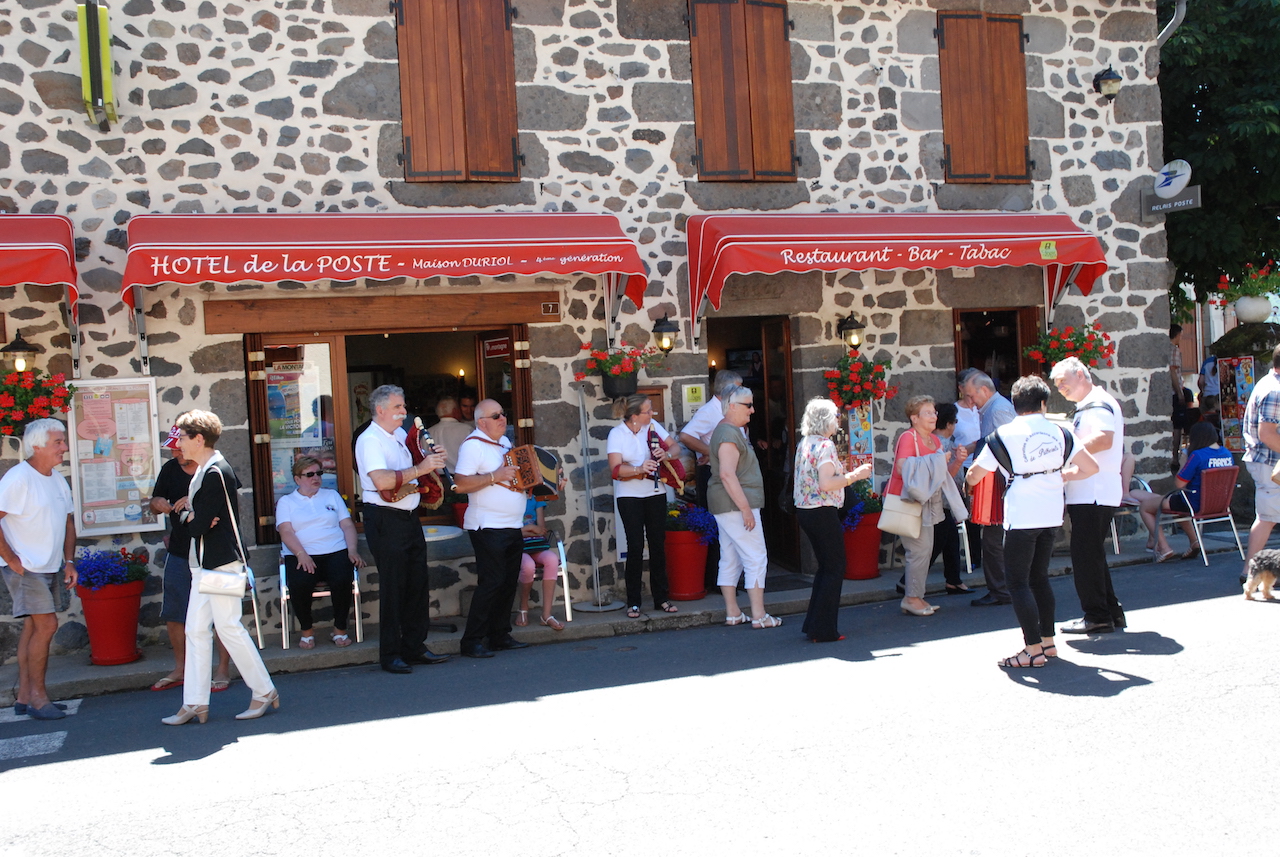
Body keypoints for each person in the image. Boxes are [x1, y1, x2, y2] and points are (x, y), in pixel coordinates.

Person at [966, 376, 1099, 669]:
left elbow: (975, 475)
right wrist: (1062, 475)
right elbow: (1091, 467)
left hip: (1022, 513)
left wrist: (970, 481)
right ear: (1043, 403)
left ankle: (1032, 649)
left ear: (1015, 404)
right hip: (1052, 512)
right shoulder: (1061, 432)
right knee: (1040, 578)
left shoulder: (1002, 435)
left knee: (1017, 582)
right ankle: (1048, 642)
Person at [163, 410, 278, 724]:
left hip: (221, 564)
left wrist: (186, 514)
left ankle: (264, 690)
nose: (178, 444)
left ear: (199, 439)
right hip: (207, 564)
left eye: (182, 438)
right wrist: (193, 516)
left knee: (228, 627)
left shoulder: (215, 472)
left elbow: (197, 526)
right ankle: (195, 702)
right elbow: (200, 522)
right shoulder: (207, 469)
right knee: (196, 630)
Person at [355, 385, 451, 674]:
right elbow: (383, 481)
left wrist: (432, 459)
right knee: (394, 587)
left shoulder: (397, 436)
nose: (404, 411)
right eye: (398, 407)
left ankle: (414, 646)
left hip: (408, 516)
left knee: (417, 584)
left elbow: (414, 472)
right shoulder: (369, 439)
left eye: (403, 406)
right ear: (380, 409)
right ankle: (391, 654)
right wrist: (422, 468)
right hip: (385, 518)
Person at [0, 419, 75, 720]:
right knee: (46, 626)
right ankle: (38, 700)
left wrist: (69, 561)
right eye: (58, 442)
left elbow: (68, 522)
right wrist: (11, 559)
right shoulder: (19, 478)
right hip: (27, 568)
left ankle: (23, 697)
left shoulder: (56, 479)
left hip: (49, 566)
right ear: (37, 446)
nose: (64, 447)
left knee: (34, 627)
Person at [148, 426, 232, 693]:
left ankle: (222, 670)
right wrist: (158, 503)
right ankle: (182, 669)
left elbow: (227, 508)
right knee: (175, 613)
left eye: (178, 447)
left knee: (222, 617)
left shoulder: (213, 469)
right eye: (173, 449)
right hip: (180, 551)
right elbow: (154, 500)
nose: (175, 452)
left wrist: (195, 500)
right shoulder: (170, 469)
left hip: (214, 554)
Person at [1051, 356, 1128, 635]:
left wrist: (1067, 452)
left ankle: (1096, 616)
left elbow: (1104, 438)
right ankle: (1110, 612)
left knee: (1085, 556)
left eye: (1064, 381)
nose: (1061, 388)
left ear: (1081, 375)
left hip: (1093, 491)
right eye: (1057, 384)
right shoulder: (1094, 403)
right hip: (1092, 491)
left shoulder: (1097, 403)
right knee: (1092, 555)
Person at [453, 398, 532, 658]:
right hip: (487, 526)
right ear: (481, 422)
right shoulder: (473, 445)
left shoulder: (505, 443)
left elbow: (516, 480)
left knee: (508, 583)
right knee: (492, 582)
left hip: (512, 524)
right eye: (496, 416)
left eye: (503, 413)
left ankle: (499, 635)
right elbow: (460, 484)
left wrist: (548, 484)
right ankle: (472, 641)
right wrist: (494, 476)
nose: (503, 419)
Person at [793, 398, 873, 642]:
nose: (838, 420)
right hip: (822, 509)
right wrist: (855, 475)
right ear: (825, 420)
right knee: (835, 567)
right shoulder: (825, 445)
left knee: (826, 567)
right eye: (836, 416)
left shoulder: (805, 442)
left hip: (806, 509)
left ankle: (814, 624)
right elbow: (827, 483)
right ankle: (823, 629)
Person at [885, 396, 967, 617]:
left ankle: (916, 597)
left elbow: (943, 476)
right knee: (919, 551)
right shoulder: (908, 437)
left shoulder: (935, 441)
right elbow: (902, 468)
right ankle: (911, 598)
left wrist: (957, 461)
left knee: (924, 550)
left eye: (934, 412)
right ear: (914, 418)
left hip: (928, 502)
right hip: (909, 501)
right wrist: (937, 461)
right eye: (928, 413)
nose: (934, 416)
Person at [276, 455, 364, 648]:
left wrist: (352, 550)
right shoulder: (287, 502)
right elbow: (286, 531)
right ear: (297, 479)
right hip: (301, 553)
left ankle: (339, 630)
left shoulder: (332, 495)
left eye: (319, 473)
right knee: (300, 583)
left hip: (335, 550)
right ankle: (307, 631)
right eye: (310, 474)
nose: (316, 478)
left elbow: (347, 525)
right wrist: (301, 554)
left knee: (342, 579)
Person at [709, 384, 779, 628]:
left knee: (730, 558)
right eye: (748, 405)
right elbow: (727, 474)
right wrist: (746, 509)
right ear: (732, 406)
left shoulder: (728, 430)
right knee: (756, 557)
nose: (752, 410)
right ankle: (759, 615)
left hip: (726, 504)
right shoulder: (729, 434)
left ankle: (733, 613)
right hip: (735, 504)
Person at [608, 394, 679, 619]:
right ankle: (634, 602)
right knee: (635, 546)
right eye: (647, 411)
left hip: (655, 492)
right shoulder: (617, 434)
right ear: (634, 416)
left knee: (658, 544)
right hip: (629, 496)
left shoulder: (653, 427)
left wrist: (666, 454)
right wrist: (640, 469)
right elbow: (616, 469)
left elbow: (675, 447)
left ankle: (661, 598)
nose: (652, 414)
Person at [679, 369, 743, 590]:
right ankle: (717, 580)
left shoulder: (729, 409)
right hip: (714, 473)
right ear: (728, 390)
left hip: (730, 470)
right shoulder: (709, 411)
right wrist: (713, 452)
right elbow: (686, 436)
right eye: (739, 388)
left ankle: (730, 577)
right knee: (720, 523)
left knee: (732, 523)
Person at [1131, 422, 1230, 559]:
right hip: (1219, 503)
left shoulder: (1197, 455)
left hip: (1194, 502)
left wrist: (1183, 462)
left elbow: (1179, 484)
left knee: (1145, 507)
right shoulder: (1226, 453)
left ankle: (1164, 547)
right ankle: (1194, 542)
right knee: (1171, 505)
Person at [960, 370, 1016, 606]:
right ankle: (1002, 588)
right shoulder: (992, 409)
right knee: (994, 540)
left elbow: (1009, 446)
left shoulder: (998, 410)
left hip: (1000, 485)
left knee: (993, 541)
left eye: (971, 395)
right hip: (998, 483)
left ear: (984, 390)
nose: (970, 401)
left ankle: (1001, 590)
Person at [1240, 344, 1280, 580]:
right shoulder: (1275, 390)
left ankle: (1251, 572)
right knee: (1267, 518)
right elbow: (1267, 434)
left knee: (1268, 517)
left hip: (1267, 462)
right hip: (1269, 463)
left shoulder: (1270, 384)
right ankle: (1249, 572)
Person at [930, 403, 974, 595]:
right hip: (942, 500)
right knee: (938, 543)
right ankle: (907, 581)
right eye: (954, 421)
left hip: (942, 501)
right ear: (948, 424)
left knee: (950, 541)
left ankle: (954, 581)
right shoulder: (945, 445)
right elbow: (948, 475)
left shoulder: (933, 442)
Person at [513, 496, 564, 631]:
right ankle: (523, 608)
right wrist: (530, 528)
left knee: (552, 559)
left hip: (536, 546)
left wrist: (524, 531)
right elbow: (509, 532)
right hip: (518, 548)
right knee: (528, 566)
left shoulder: (535, 499)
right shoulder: (510, 498)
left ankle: (546, 615)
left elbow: (541, 530)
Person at [431, 396, 472, 473]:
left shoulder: (428, 432)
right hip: (460, 477)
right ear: (455, 411)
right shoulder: (467, 430)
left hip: (435, 478)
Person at [1169, 324, 1185, 475]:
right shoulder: (1173, 349)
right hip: (1174, 392)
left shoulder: (1165, 348)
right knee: (1177, 426)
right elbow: (1173, 371)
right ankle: (1175, 457)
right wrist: (1179, 393)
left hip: (1169, 392)